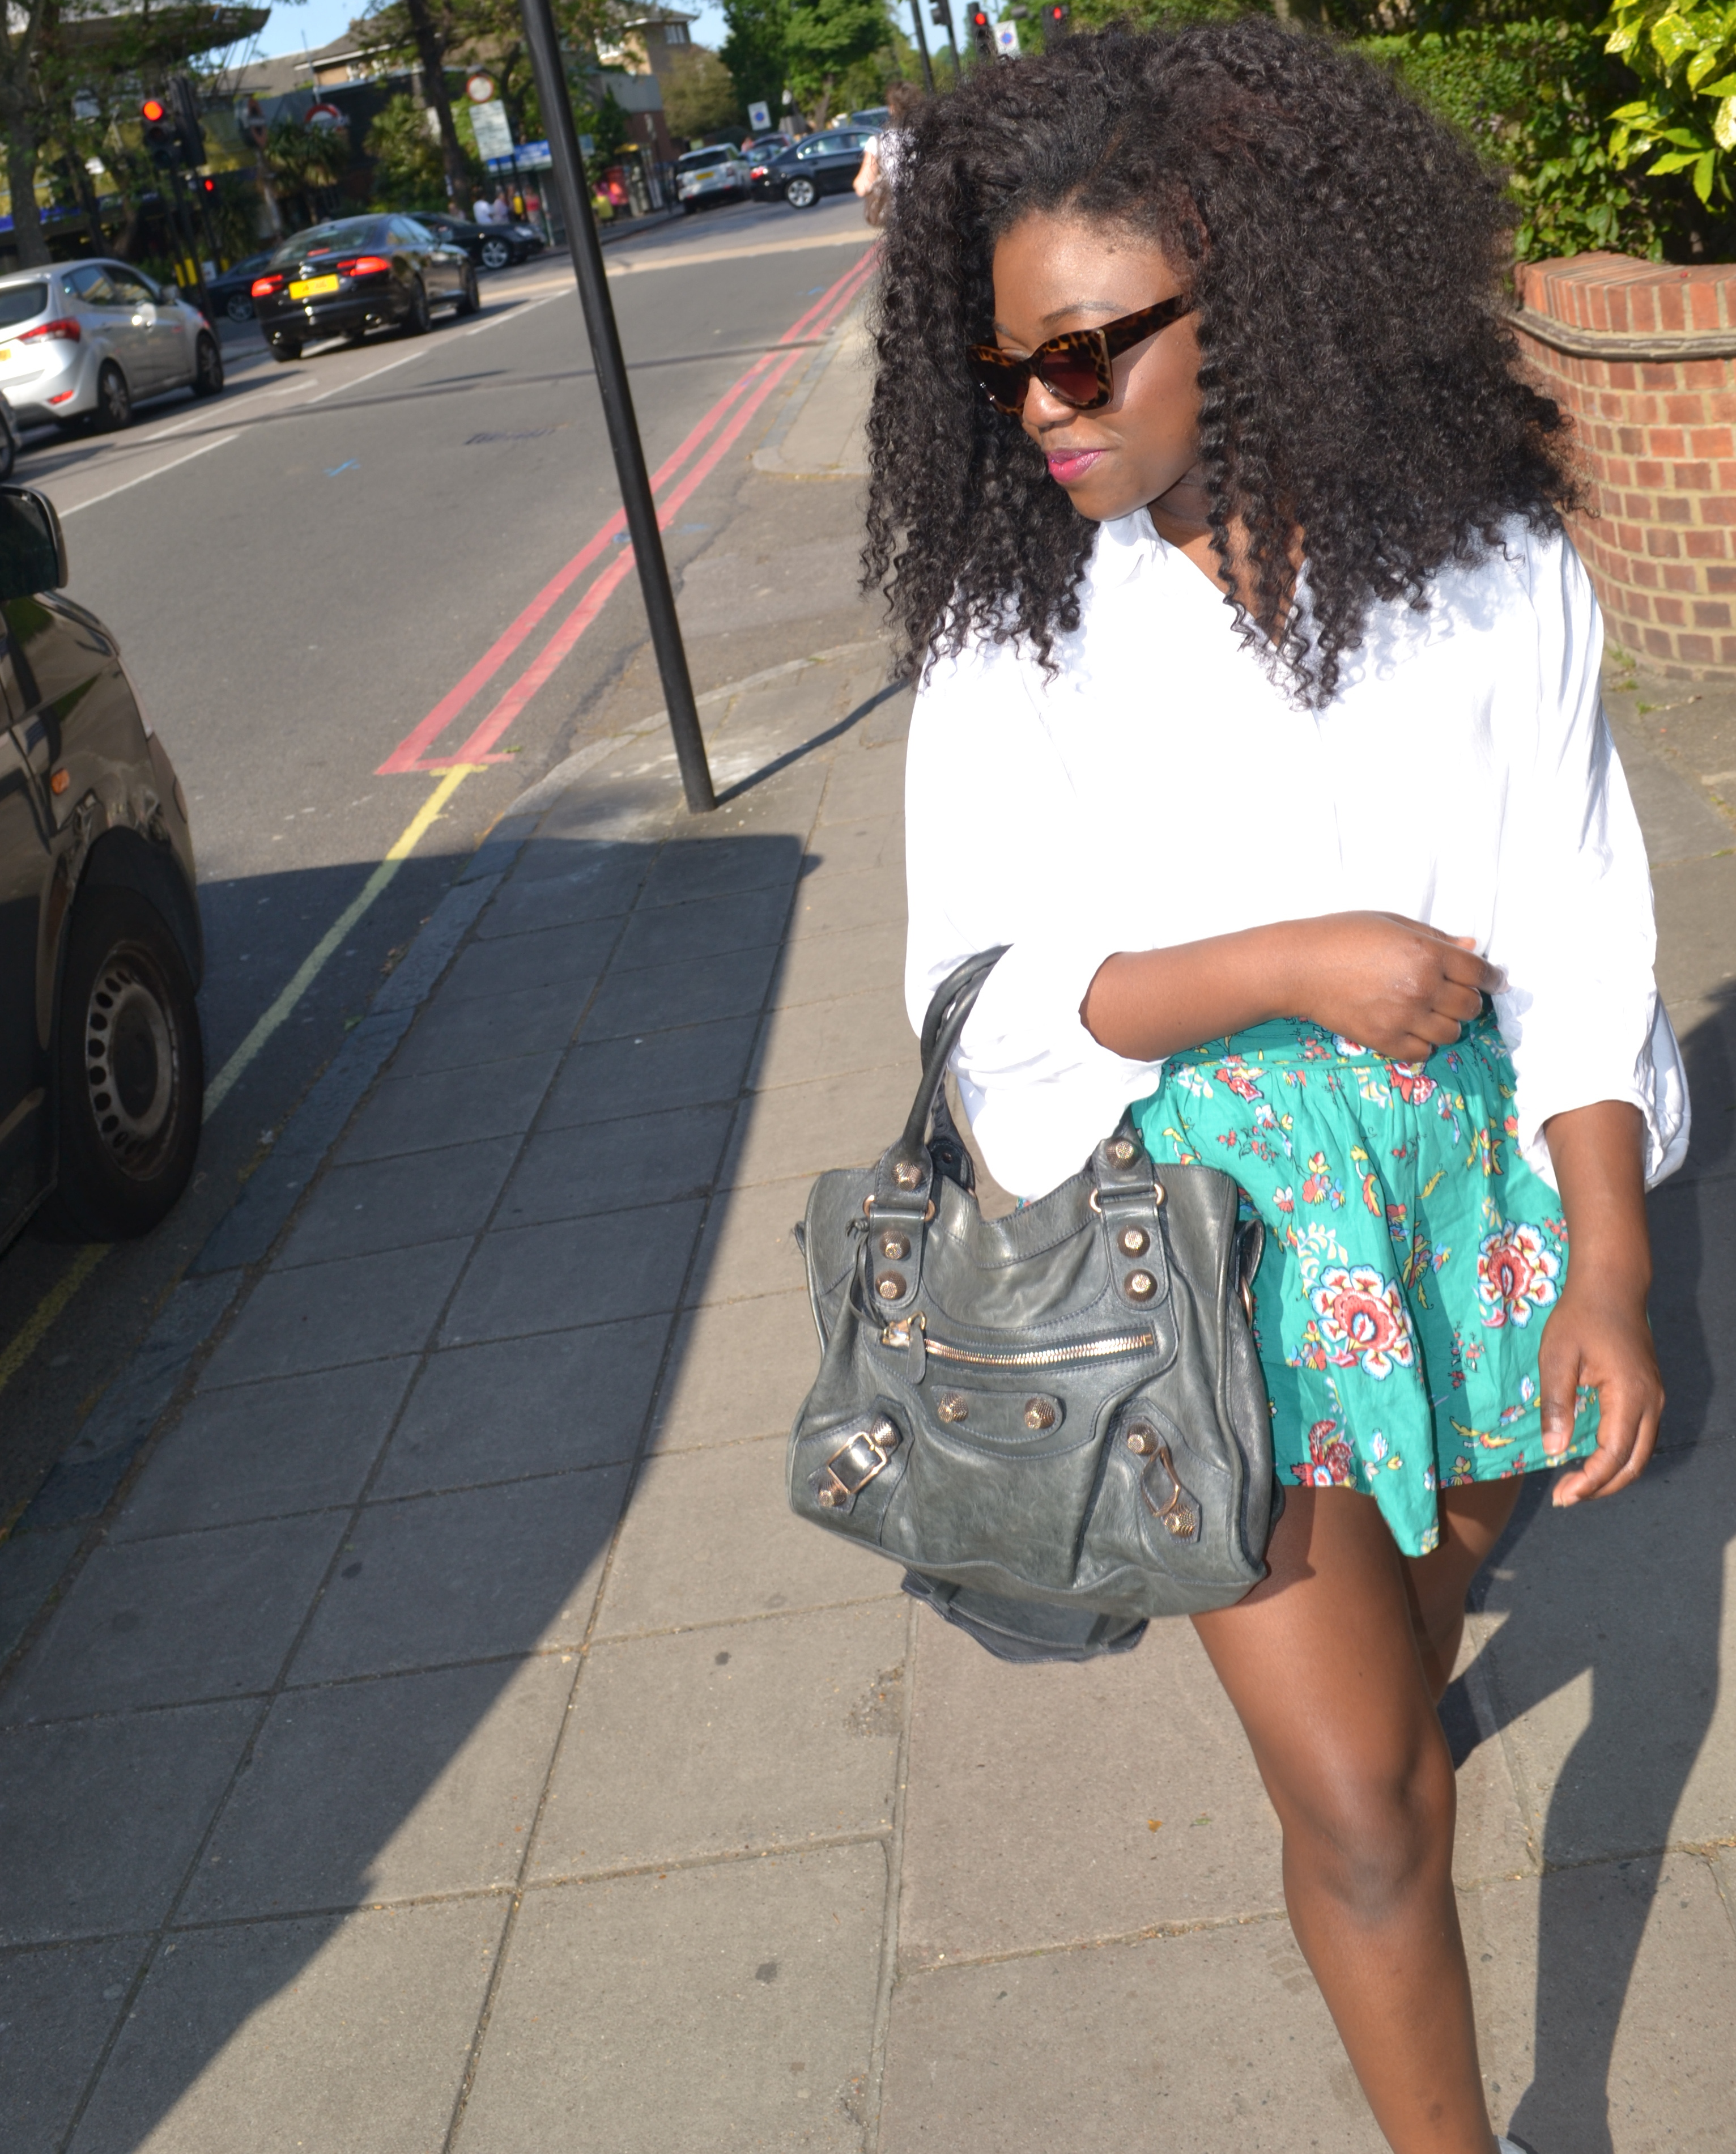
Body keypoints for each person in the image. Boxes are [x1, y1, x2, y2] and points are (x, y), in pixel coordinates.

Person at [866, 22, 1686, 2154]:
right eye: (1007, 367)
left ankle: (1402, 1704)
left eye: (1084, 353)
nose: (1042, 407)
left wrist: (1608, 1262)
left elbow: (1579, 915)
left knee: (1403, 1655)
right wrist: (1287, 967)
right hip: (1209, 1252)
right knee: (1363, 1798)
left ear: (1246, 298)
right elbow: (982, 1006)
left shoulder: (1485, 569)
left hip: (1478, 1201)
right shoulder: (1018, 639)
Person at [853, 78, 920, 226]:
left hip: (899, 220)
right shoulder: (931, 135)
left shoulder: (878, 142)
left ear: (892, 108)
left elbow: (862, 186)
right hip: (933, 215)